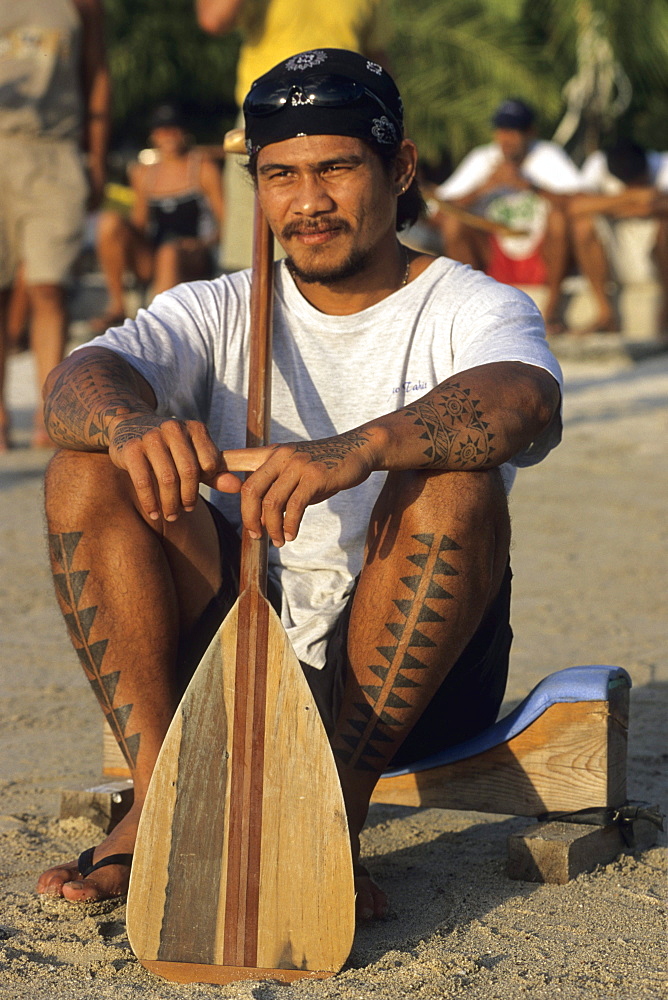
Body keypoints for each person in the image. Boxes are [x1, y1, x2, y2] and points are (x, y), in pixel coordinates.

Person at [35, 49, 562, 922]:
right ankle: (161, 799)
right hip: (239, 645)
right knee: (88, 464)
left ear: (399, 168)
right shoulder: (217, 305)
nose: (306, 201)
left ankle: (334, 818)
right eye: (279, 174)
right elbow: (75, 381)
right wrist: (131, 425)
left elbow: (526, 402)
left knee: (456, 486)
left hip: (409, 685)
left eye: (335, 169)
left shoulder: (471, 303)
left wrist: (359, 448)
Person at [196, 0, 387, 270]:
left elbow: (377, 58)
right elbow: (214, 19)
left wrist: (393, 127)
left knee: (354, 254)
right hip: (267, 117)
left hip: (345, 121)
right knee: (248, 262)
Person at [0, 0, 110, 451]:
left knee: (50, 285)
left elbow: (97, 76)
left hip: (56, 151)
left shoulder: (82, 4)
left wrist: (97, 158)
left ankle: (51, 408)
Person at [434, 99, 583, 336]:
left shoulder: (546, 155)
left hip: (541, 256)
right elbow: (438, 212)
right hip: (496, 256)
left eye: (514, 132)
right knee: (454, 224)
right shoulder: (482, 158)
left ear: (530, 133)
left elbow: (580, 202)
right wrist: (484, 188)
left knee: (558, 218)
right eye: (502, 131)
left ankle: (551, 311)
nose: (506, 139)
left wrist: (530, 187)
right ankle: (470, 310)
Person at [92, 104, 224, 331]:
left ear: (184, 132)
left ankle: (158, 326)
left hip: (194, 255)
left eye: (174, 129)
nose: (168, 136)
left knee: (169, 252)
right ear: (154, 135)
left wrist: (204, 244)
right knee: (109, 222)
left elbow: (225, 222)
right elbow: (140, 225)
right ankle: (117, 305)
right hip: (155, 255)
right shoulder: (144, 173)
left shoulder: (203, 168)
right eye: (162, 130)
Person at [569, 139, 668, 338]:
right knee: (582, 226)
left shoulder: (663, 164)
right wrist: (633, 197)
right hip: (615, 249)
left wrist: (607, 206)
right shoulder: (598, 163)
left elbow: (656, 206)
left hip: (653, 251)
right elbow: (575, 207)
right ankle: (606, 314)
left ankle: (665, 313)